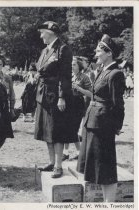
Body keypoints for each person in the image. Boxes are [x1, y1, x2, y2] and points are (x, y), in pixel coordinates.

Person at [77, 34, 125, 202]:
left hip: (104, 126)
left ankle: (109, 204)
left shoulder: (115, 74)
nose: (96, 53)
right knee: (97, 167)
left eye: (99, 51)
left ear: (109, 53)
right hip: (93, 123)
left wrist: (115, 126)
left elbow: (118, 104)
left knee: (106, 167)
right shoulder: (102, 71)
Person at [34, 21, 73, 178]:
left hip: (56, 97)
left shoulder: (63, 49)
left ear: (50, 33)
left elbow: (65, 76)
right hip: (43, 95)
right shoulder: (45, 50)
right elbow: (40, 70)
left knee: (57, 131)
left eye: (42, 32)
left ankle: (58, 165)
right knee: (47, 131)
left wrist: (62, 97)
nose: (41, 35)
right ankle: (51, 162)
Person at [62, 57, 92, 161]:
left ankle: (80, 153)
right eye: (71, 64)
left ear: (79, 66)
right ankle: (66, 153)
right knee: (66, 128)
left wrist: (79, 88)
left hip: (78, 105)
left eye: (74, 64)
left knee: (73, 129)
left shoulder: (85, 77)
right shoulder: (69, 76)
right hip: (68, 104)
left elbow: (91, 94)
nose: (71, 66)